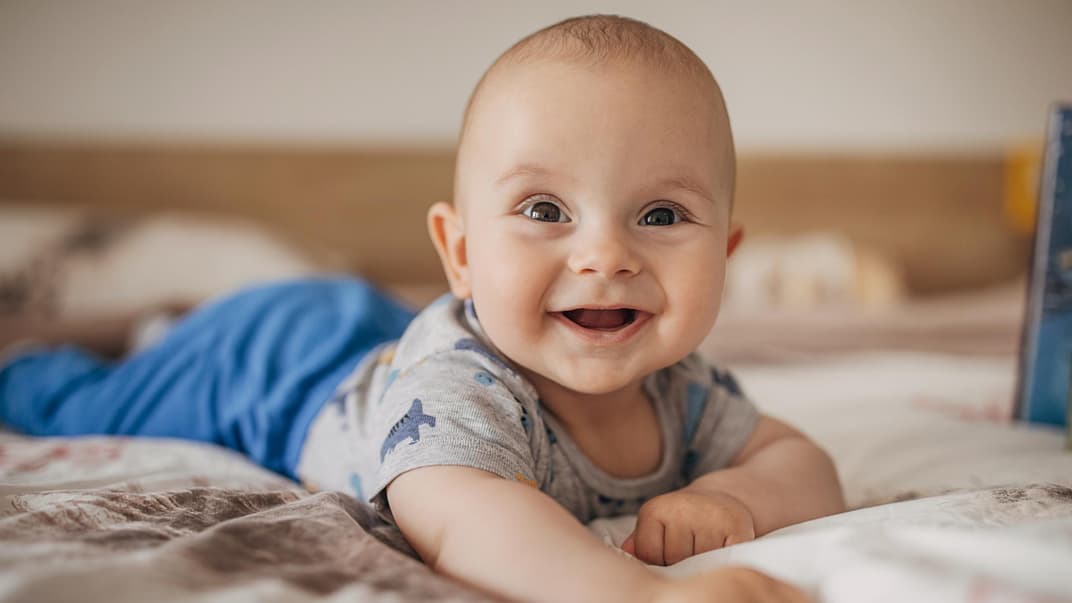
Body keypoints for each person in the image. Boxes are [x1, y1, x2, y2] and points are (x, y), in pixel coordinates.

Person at [0, 15, 844, 603]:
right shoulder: (459, 397)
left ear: (724, 257)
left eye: (660, 216)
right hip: (274, 364)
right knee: (73, 399)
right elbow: (474, 523)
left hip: (374, 340)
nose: (605, 256)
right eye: (545, 210)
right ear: (462, 253)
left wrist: (735, 498)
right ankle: (69, 350)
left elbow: (800, 460)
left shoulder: (684, 390)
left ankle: (162, 329)